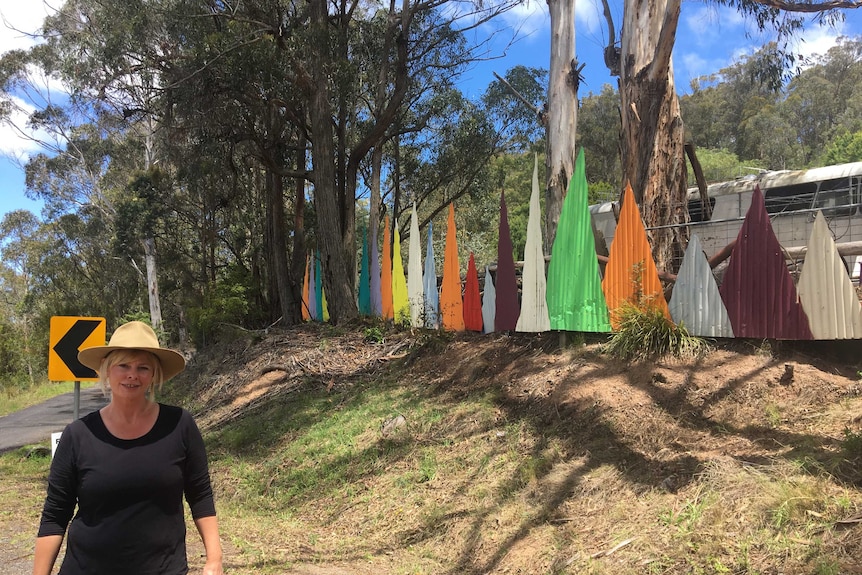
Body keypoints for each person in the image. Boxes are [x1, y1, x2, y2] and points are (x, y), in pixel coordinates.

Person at [33, 321, 224, 575]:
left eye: (142, 367)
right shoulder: (78, 435)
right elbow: (55, 515)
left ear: (154, 374)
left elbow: (200, 496)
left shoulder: (180, 425)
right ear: (107, 371)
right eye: (123, 365)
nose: (132, 374)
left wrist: (214, 559)